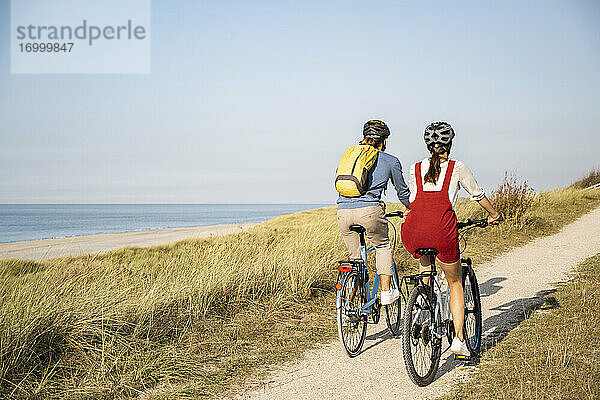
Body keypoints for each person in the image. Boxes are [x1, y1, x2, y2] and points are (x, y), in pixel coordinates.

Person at [401, 121, 501, 357]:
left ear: (427, 145)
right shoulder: (458, 167)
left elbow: (413, 200)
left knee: (425, 270)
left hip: (413, 231)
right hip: (442, 231)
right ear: (450, 144)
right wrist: (493, 214)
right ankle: (458, 340)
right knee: (455, 283)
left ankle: (424, 313)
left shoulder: (416, 167)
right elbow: (478, 195)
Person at [337, 120, 411, 305]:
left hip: (343, 212)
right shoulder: (390, 160)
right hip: (370, 212)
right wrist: (410, 207)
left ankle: (347, 305)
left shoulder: (351, 156)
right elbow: (402, 192)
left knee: (355, 260)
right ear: (384, 140)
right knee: (382, 245)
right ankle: (385, 292)